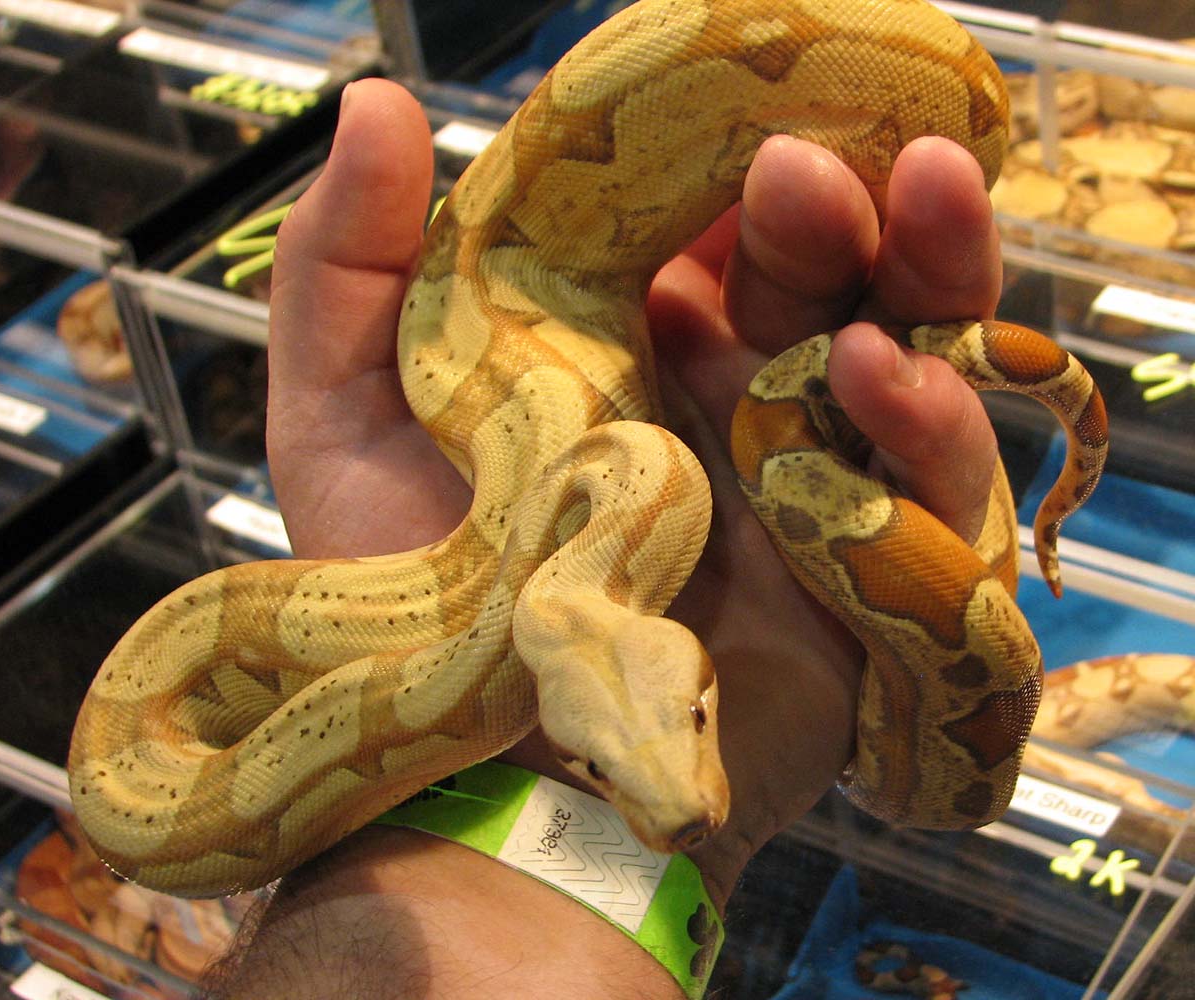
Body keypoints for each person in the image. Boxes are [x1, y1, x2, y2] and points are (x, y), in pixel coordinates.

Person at [203, 77, 1004, 999]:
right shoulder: (608, 510)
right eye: (595, 771)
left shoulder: (580, 528)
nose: (687, 810)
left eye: (697, 718)